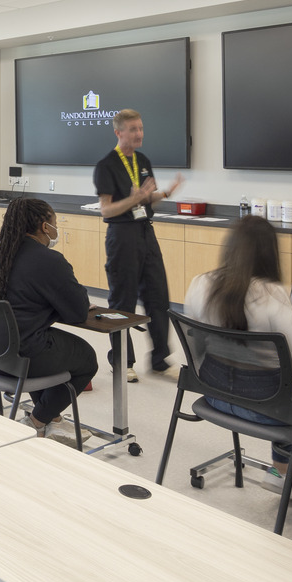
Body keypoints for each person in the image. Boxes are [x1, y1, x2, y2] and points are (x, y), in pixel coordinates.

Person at [184, 216, 292, 506]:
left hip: (215, 396)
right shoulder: (274, 297)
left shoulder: (200, 284)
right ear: (270, 252)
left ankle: (280, 472)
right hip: (265, 409)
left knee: (286, 391)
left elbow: (197, 349)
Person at [0, 197, 97, 438]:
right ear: (45, 226)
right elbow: (78, 311)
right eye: (55, 223)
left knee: (42, 343)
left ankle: (54, 418)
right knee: (86, 358)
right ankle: (36, 421)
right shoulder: (50, 260)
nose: (56, 229)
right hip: (19, 355)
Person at [94, 108, 184, 383]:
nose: (139, 133)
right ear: (118, 132)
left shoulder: (142, 160)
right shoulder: (106, 165)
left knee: (158, 297)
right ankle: (123, 362)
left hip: (146, 232)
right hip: (121, 235)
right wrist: (135, 199)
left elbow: (145, 198)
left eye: (141, 128)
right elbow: (106, 210)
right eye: (133, 129)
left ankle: (160, 360)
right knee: (123, 301)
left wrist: (165, 192)